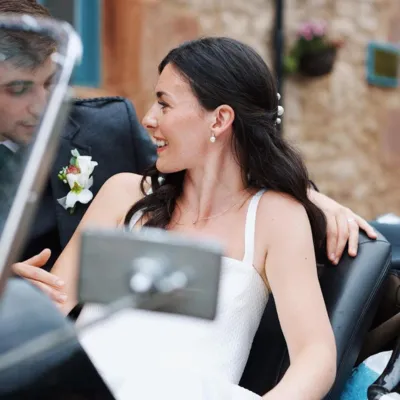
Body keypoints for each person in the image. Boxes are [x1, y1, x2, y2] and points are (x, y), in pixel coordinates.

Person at [14, 36, 343, 399]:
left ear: (219, 119)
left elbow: (315, 354)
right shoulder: (124, 195)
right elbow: (47, 315)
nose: (148, 119)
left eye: (164, 104)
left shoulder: (275, 219)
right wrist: (15, 297)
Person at [0, 0, 156, 269]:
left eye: (51, 83)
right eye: (18, 88)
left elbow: (181, 211)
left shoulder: (111, 126)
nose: (41, 106)